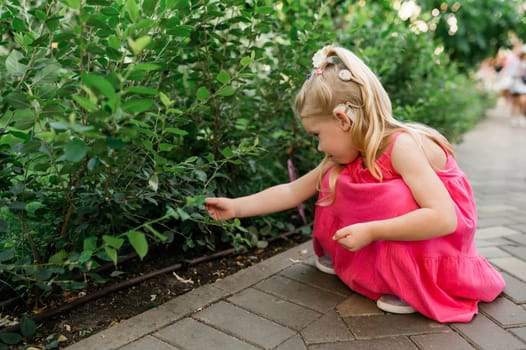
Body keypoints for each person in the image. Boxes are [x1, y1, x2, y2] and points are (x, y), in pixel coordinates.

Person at [205, 45, 505, 323]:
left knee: (397, 197)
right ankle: (346, 257)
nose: (319, 147)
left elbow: (444, 218)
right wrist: (236, 207)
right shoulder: (350, 150)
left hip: (439, 241)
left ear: (343, 120)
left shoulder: (401, 147)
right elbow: (294, 190)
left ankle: (408, 283)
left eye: (317, 135)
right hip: (408, 231)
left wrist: (373, 230)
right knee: (334, 177)